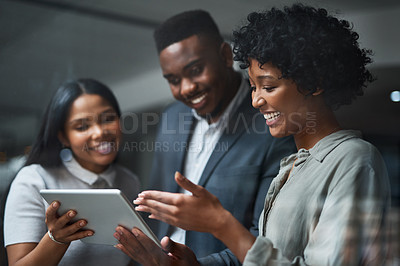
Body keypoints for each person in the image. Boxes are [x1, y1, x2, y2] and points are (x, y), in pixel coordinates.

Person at [113, 4, 391, 265]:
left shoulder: (355, 159)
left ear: (313, 83)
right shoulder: (292, 166)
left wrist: (221, 223)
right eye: (253, 87)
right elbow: (262, 254)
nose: (256, 100)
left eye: (268, 87)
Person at [136, 9, 295, 265]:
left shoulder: (273, 123)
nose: (186, 88)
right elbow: (153, 209)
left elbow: (266, 239)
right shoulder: (171, 117)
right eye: (173, 80)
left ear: (225, 55)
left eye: (196, 70)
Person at [4, 79, 140, 266]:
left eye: (108, 119)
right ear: (63, 137)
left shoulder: (129, 181)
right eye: (82, 126)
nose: (99, 132)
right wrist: (56, 239)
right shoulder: (34, 180)